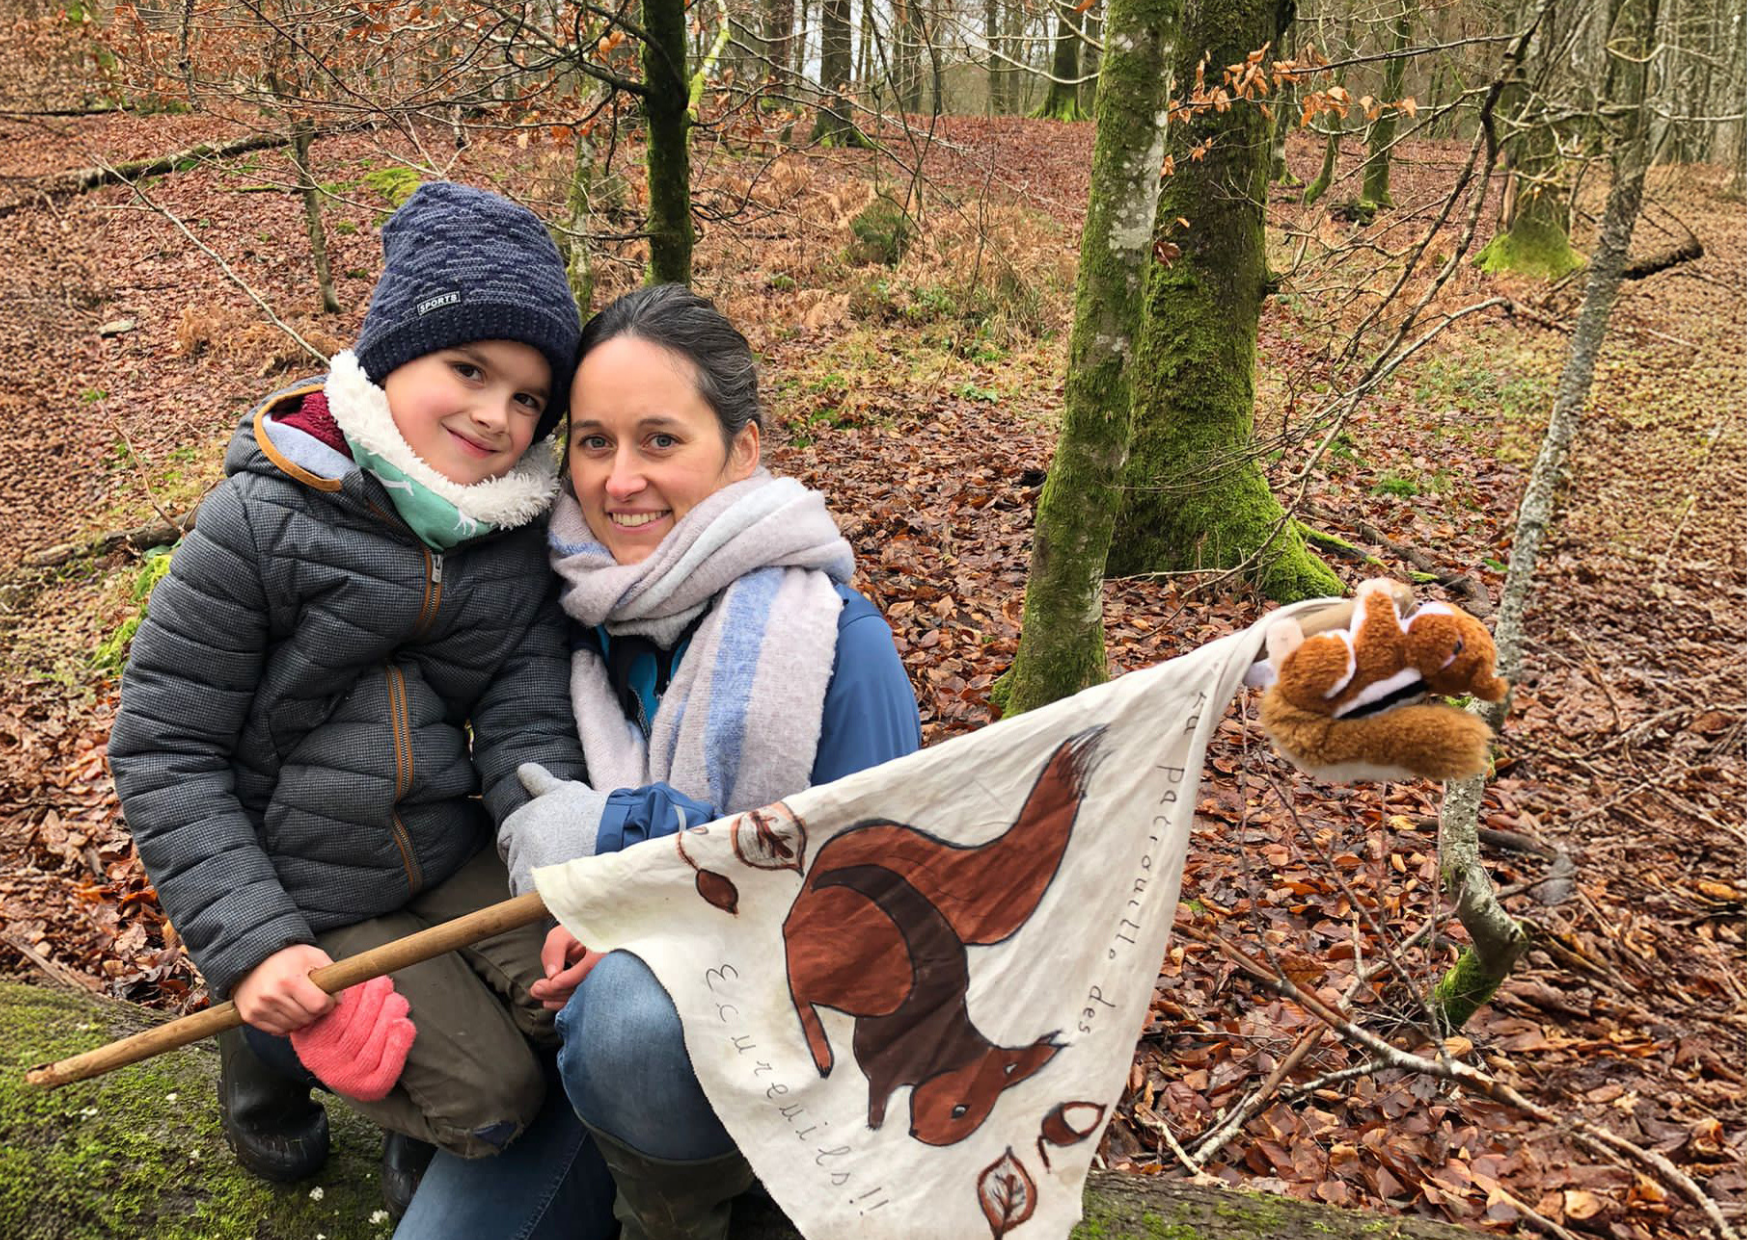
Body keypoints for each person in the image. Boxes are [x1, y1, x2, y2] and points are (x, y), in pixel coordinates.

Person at [107, 182, 594, 1218]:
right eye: (468, 369)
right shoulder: (259, 519)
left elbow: (524, 720)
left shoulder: (508, 539)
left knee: (581, 1009)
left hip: (442, 844)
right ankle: (264, 1057)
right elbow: (164, 746)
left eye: (527, 398)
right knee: (492, 1096)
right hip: (301, 881)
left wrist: (563, 869)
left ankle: (411, 1096)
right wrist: (256, 943)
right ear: (388, 356)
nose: (493, 416)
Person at [397, 283, 922, 1240]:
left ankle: (682, 1221)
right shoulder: (557, 612)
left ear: (744, 449)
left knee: (632, 1006)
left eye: (660, 440)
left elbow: (873, 921)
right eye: (594, 442)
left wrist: (647, 924)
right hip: (575, 1060)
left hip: (770, 1066)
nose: (620, 479)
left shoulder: (834, 644)